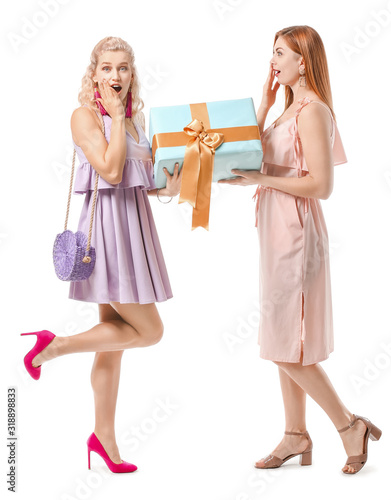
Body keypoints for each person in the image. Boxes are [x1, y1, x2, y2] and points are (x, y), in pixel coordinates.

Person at [218, 25, 381, 474]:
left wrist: (260, 180)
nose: (273, 61)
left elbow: (321, 186)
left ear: (302, 61)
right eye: (272, 53)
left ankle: (349, 425)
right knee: (282, 336)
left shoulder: (313, 111)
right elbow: (258, 157)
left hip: (296, 233)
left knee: (286, 341)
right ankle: (295, 434)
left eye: (280, 53)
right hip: (275, 230)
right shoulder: (286, 109)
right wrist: (266, 104)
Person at [20, 36, 182, 473]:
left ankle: (103, 440)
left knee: (113, 346)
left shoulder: (134, 121)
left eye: (124, 68)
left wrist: (176, 179)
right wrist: (112, 116)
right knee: (150, 332)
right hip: (107, 234)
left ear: (132, 73)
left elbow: (144, 182)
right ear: (94, 73)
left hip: (136, 229)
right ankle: (51, 347)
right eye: (107, 68)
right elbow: (109, 172)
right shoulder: (85, 117)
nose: (116, 76)